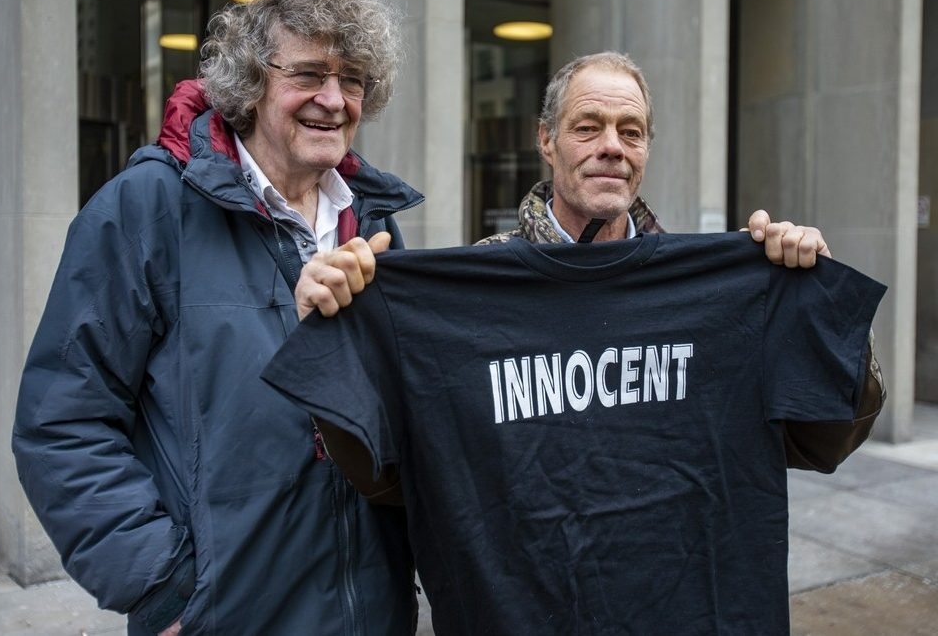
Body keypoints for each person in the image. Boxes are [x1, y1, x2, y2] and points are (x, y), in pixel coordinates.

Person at [12, 0, 421, 635]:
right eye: (309, 73)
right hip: (225, 615)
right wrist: (163, 588)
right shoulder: (146, 208)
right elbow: (62, 423)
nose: (333, 98)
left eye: (351, 78)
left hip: (369, 612)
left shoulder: (372, 223)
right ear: (252, 82)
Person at [302, 51, 885, 475]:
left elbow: (820, 440)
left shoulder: (708, 294)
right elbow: (396, 467)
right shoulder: (475, 290)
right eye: (588, 127)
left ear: (647, 150)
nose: (612, 145)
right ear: (547, 140)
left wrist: (818, 307)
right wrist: (335, 333)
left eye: (631, 132)